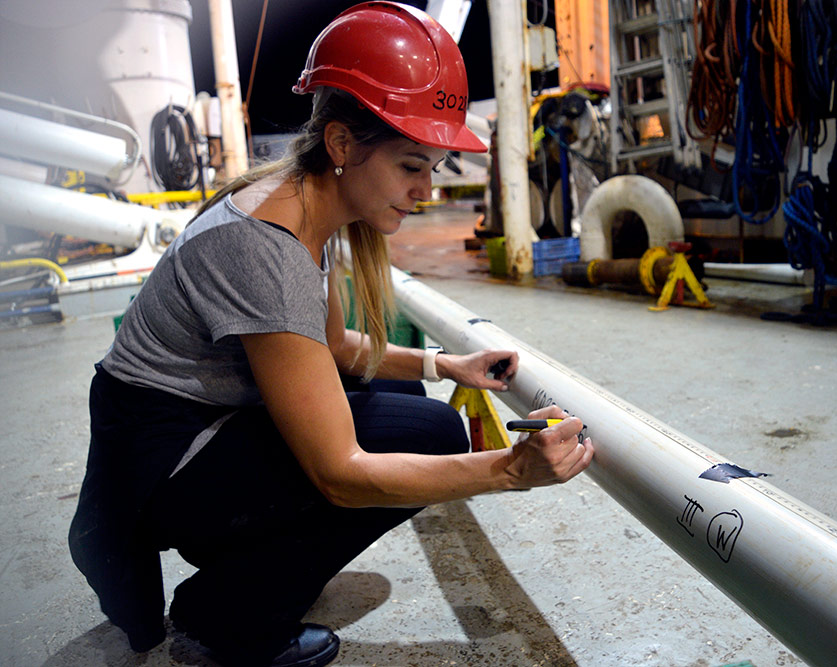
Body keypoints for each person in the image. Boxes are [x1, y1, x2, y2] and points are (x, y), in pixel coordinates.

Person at [67, 3, 594, 666]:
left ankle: (246, 570)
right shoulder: (264, 249)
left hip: (197, 433)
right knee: (423, 443)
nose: (425, 189)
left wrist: (445, 364)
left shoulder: (304, 201)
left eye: (432, 166)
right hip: (155, 467)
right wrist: (511, 470)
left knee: (423, 424)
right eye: (411, 165)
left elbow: (339, 349)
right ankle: (224, 623)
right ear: (342, 144)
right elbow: (339, 475)